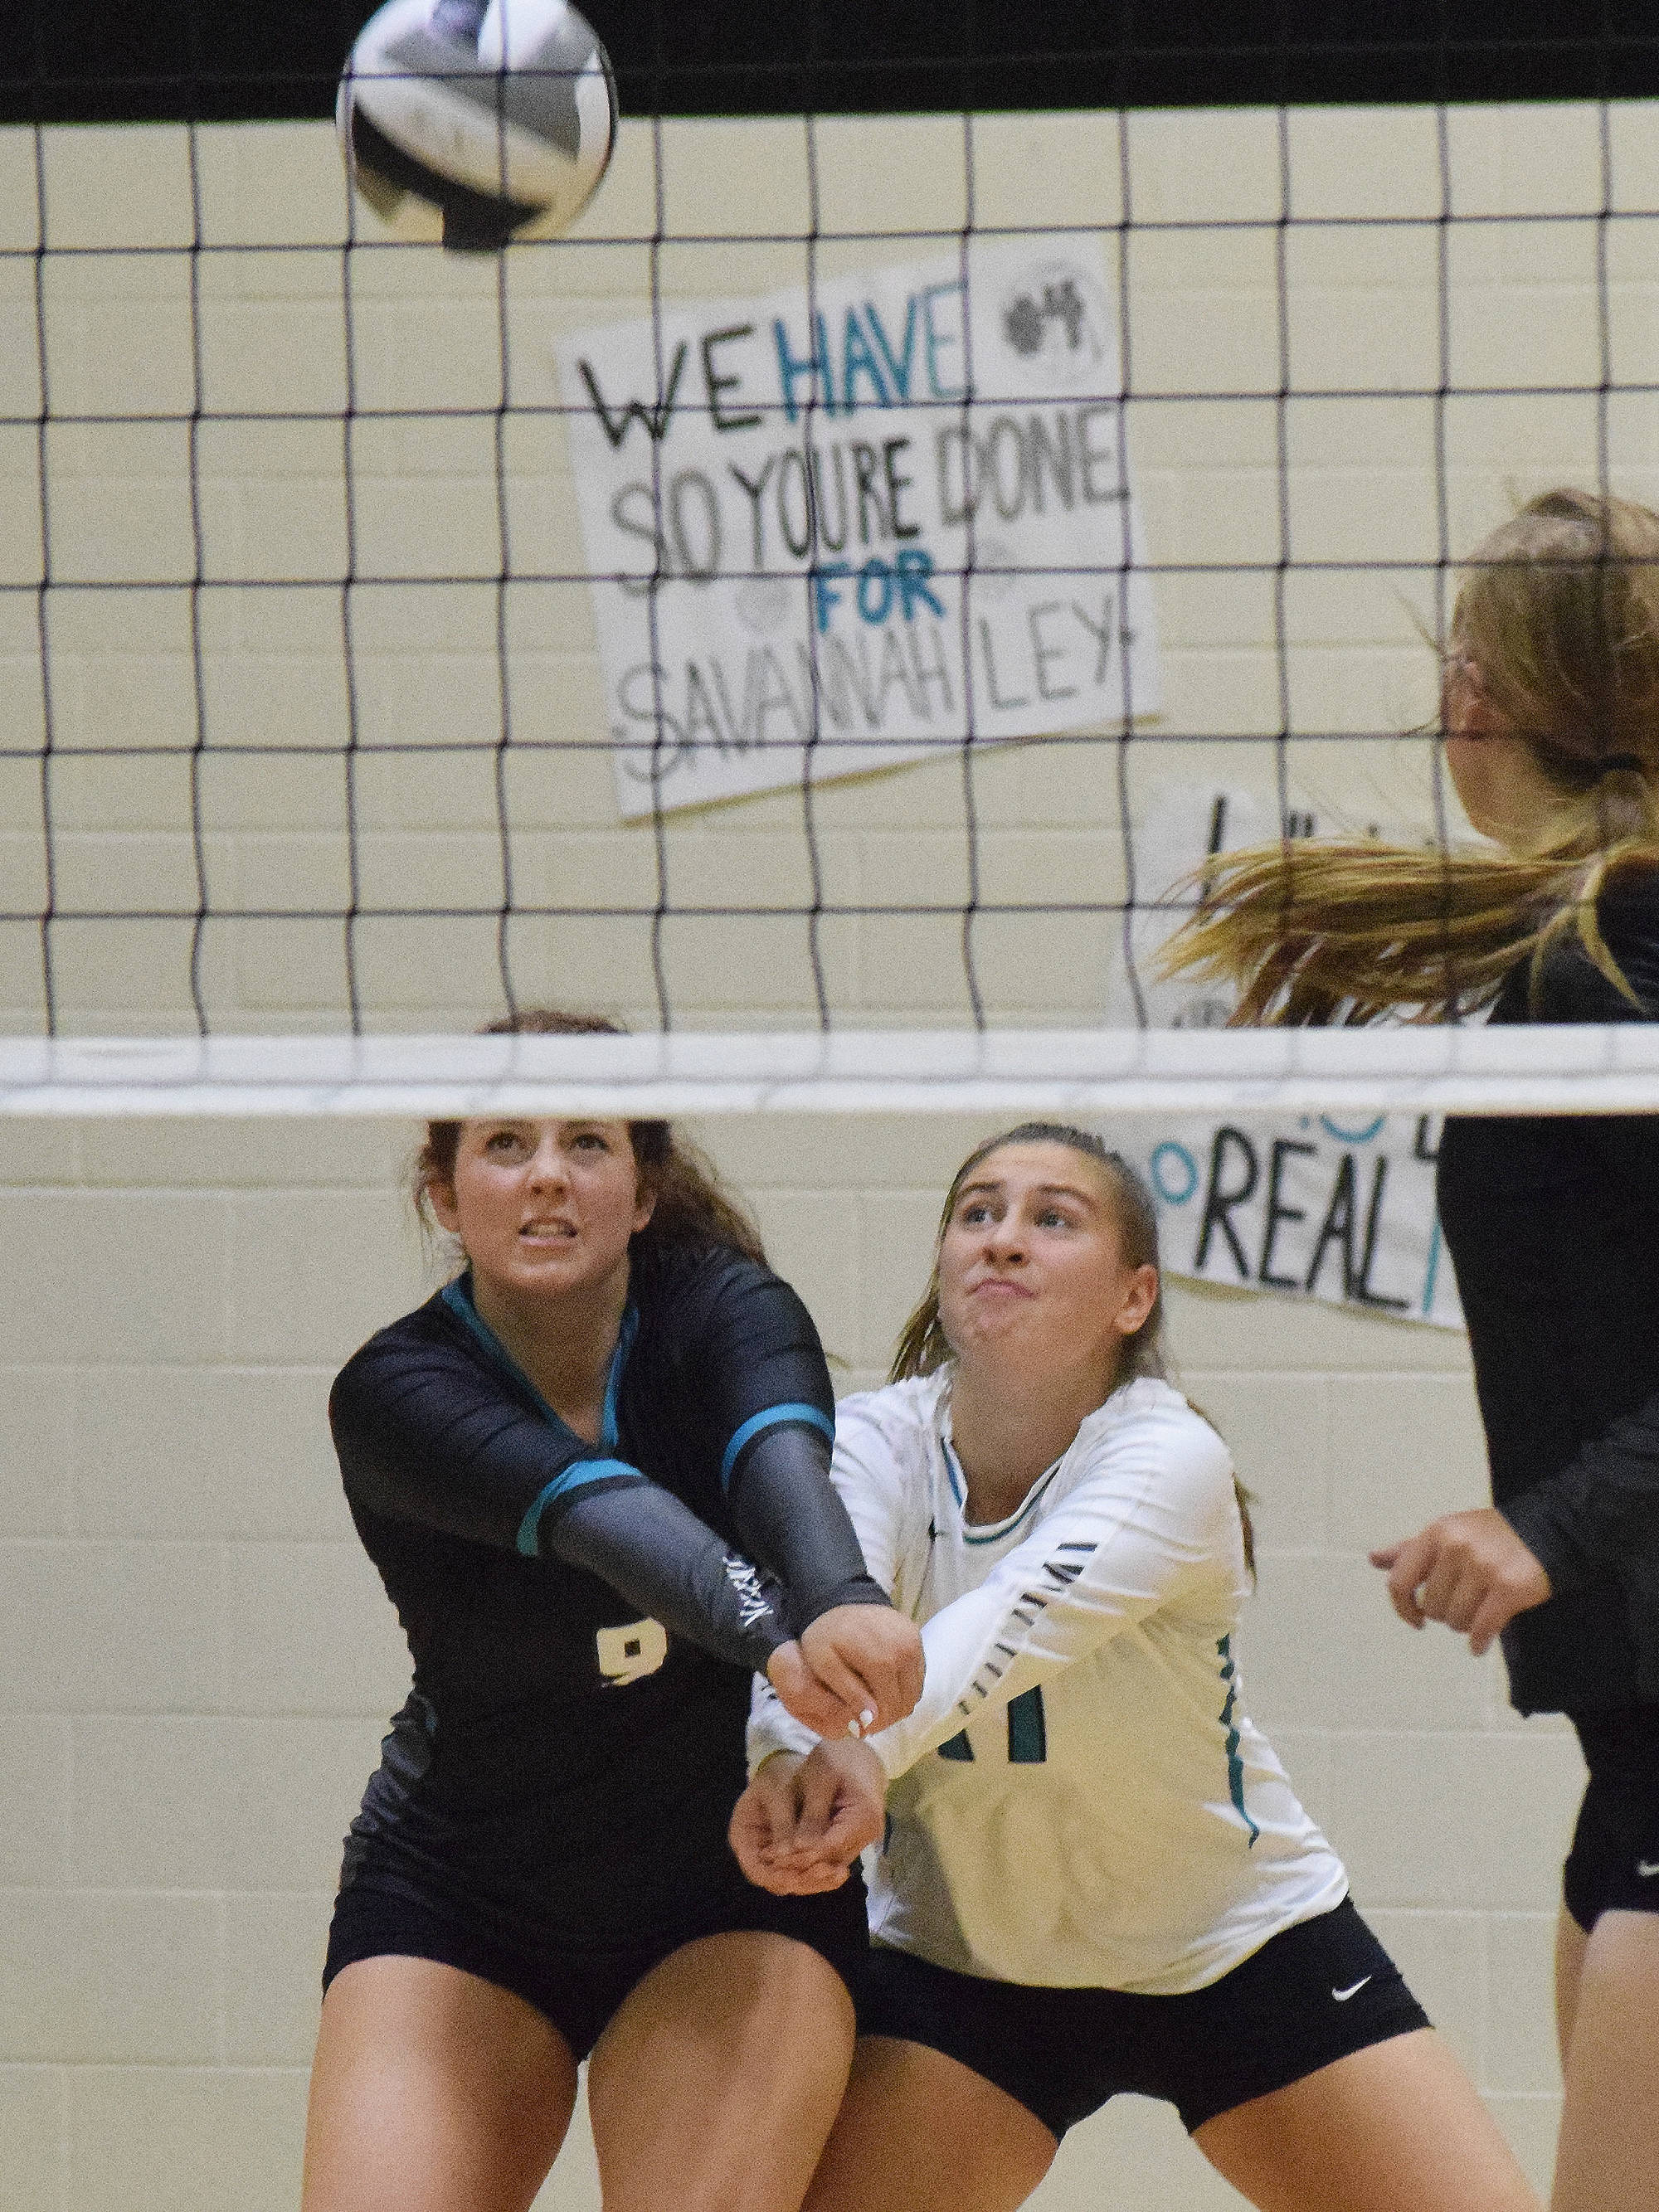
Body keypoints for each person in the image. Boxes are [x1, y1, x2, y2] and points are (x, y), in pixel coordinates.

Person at [731, 1124, 1538, 2212]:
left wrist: (852, 1755)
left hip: (1233, 1949)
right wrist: (789, 1758)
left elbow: (996, 1640)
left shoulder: (1167, 1459)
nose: (1003, 1240)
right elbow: (824, 1621)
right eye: (978, 1213)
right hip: (968, 1967)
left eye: (1051, 1219)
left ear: (1132, 1297)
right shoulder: (869, 1441)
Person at [1160, 488, 1659, 2212]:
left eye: (1463, 647)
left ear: (1497, 691)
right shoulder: (1573, 941)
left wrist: (1550, 1522)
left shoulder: (1606, 962)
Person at [302, 1009, 924, 2212]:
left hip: (732, 1889)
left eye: (588, 1140)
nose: (546, 1172)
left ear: (643, 1192)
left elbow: (786, 1474)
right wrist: (792, 1642)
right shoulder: (398, 1393)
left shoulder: (728, 1313)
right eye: (505, 1143)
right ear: (444, 1192)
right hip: (464, 1890)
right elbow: (609, 1519)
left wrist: (840, 1599)